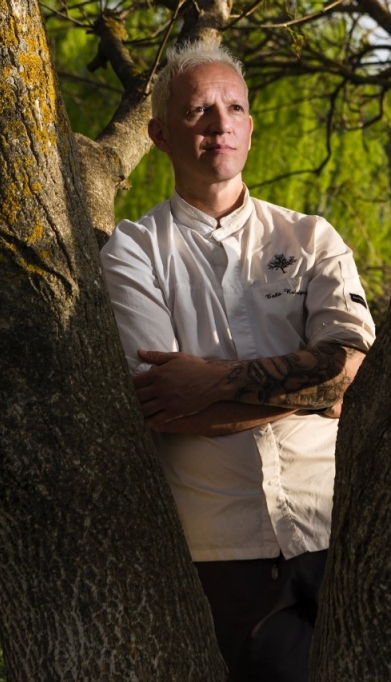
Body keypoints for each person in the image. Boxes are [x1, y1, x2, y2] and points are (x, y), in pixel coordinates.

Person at [99, 42, 375, 681]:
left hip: (338, 522)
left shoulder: (311, 238)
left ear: (250, 127)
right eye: (198, 110)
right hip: (225, 546)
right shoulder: (133, 251)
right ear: (160, 135)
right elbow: (167, 408)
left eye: (234, 108)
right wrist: (316, 390)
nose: (220, 123)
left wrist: (210, 382)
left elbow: (353, 370)